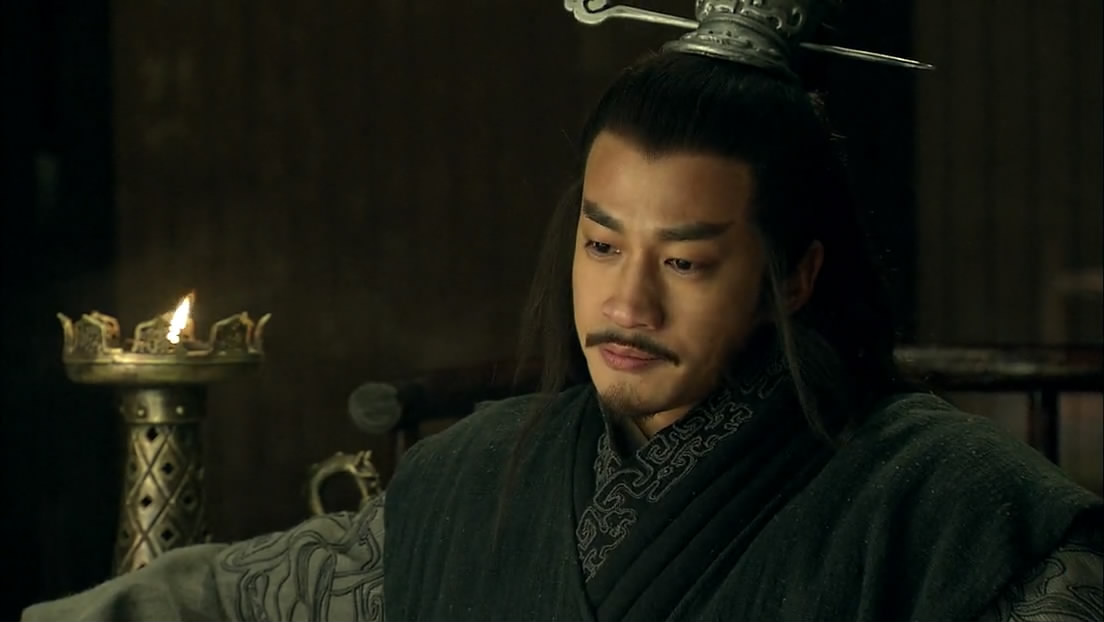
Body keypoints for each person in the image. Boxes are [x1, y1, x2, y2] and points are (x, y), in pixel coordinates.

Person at [23, 1, 1103, 620]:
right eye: (600, 243)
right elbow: (230, 596)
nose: (625, 301)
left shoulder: (944, 503)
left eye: (685, 261)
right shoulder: (481, 476)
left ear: (795, 276)